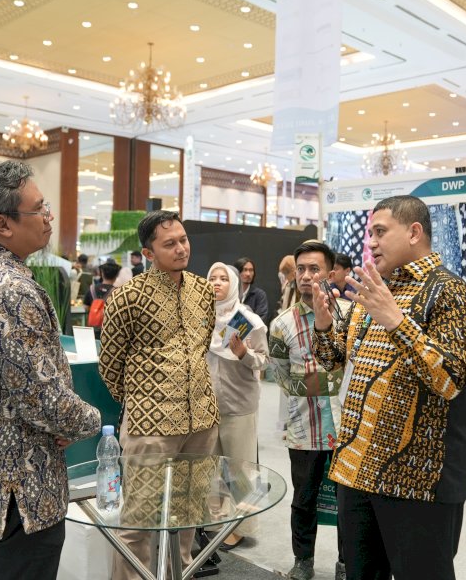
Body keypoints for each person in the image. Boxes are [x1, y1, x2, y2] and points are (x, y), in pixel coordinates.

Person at [0, 159, 101, 579]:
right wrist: (90, 420)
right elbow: (43, 399)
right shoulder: (8, 288)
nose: (49, 218)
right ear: (2, 223)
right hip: (18, 489)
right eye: (40, 208)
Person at [312, 195, 466, 580]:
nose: (370, 241)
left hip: (419, 477)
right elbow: (333, 360)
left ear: (414, 232)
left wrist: (395, 321)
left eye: (380, 232)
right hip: (357, 469)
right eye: (370, 232)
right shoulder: (376, 290)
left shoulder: (450, 292)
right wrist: (323, 326)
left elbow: (451, 380)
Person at [99, 210, 219, 580]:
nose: (181, 248)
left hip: (201, 421)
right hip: (149, 427)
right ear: (148, 253)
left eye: (183, 239)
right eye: (169, 243)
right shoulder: (127, 297)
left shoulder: (202, 290)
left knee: (185, 520)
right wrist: (145, 401)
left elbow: (202, 345)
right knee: (139, 524)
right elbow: (110, 364)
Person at [269, 240, 346, 580]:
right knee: (304, 498)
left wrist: (327, 383)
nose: (305, 275)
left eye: (314, 269)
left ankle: (348, 562)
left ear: (330, 273)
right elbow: (280, 375)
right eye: (301, 269)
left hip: (347, 425)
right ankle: (304, 561)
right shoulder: (280, 324)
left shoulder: (350, 315)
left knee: (350, 501)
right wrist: (324, 383)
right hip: (302, 426)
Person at [206, 262, 268, 550]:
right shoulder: (201, 318)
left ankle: (242, 526)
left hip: (239, 404)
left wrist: (244, 354)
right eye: (212, 278)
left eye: (223, 278)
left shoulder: (248, 320)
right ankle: (215, 521)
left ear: (234, 283)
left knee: (240, 469)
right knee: (212, 466)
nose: (217, 283)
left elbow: (265, 361)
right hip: (207, 406)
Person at [83, 260, 121, 337]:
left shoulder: (91, 289)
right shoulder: (118, 292)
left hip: (93, 330)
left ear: (102, 274)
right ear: (116, 275)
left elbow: (85, 307)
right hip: (111, 331)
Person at [234, 257, 269, 325]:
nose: (248, 274)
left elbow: (260, 321)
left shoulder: (259, 295)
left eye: (251, 270)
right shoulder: (231, 294)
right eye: (245, 270)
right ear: (237, 272)